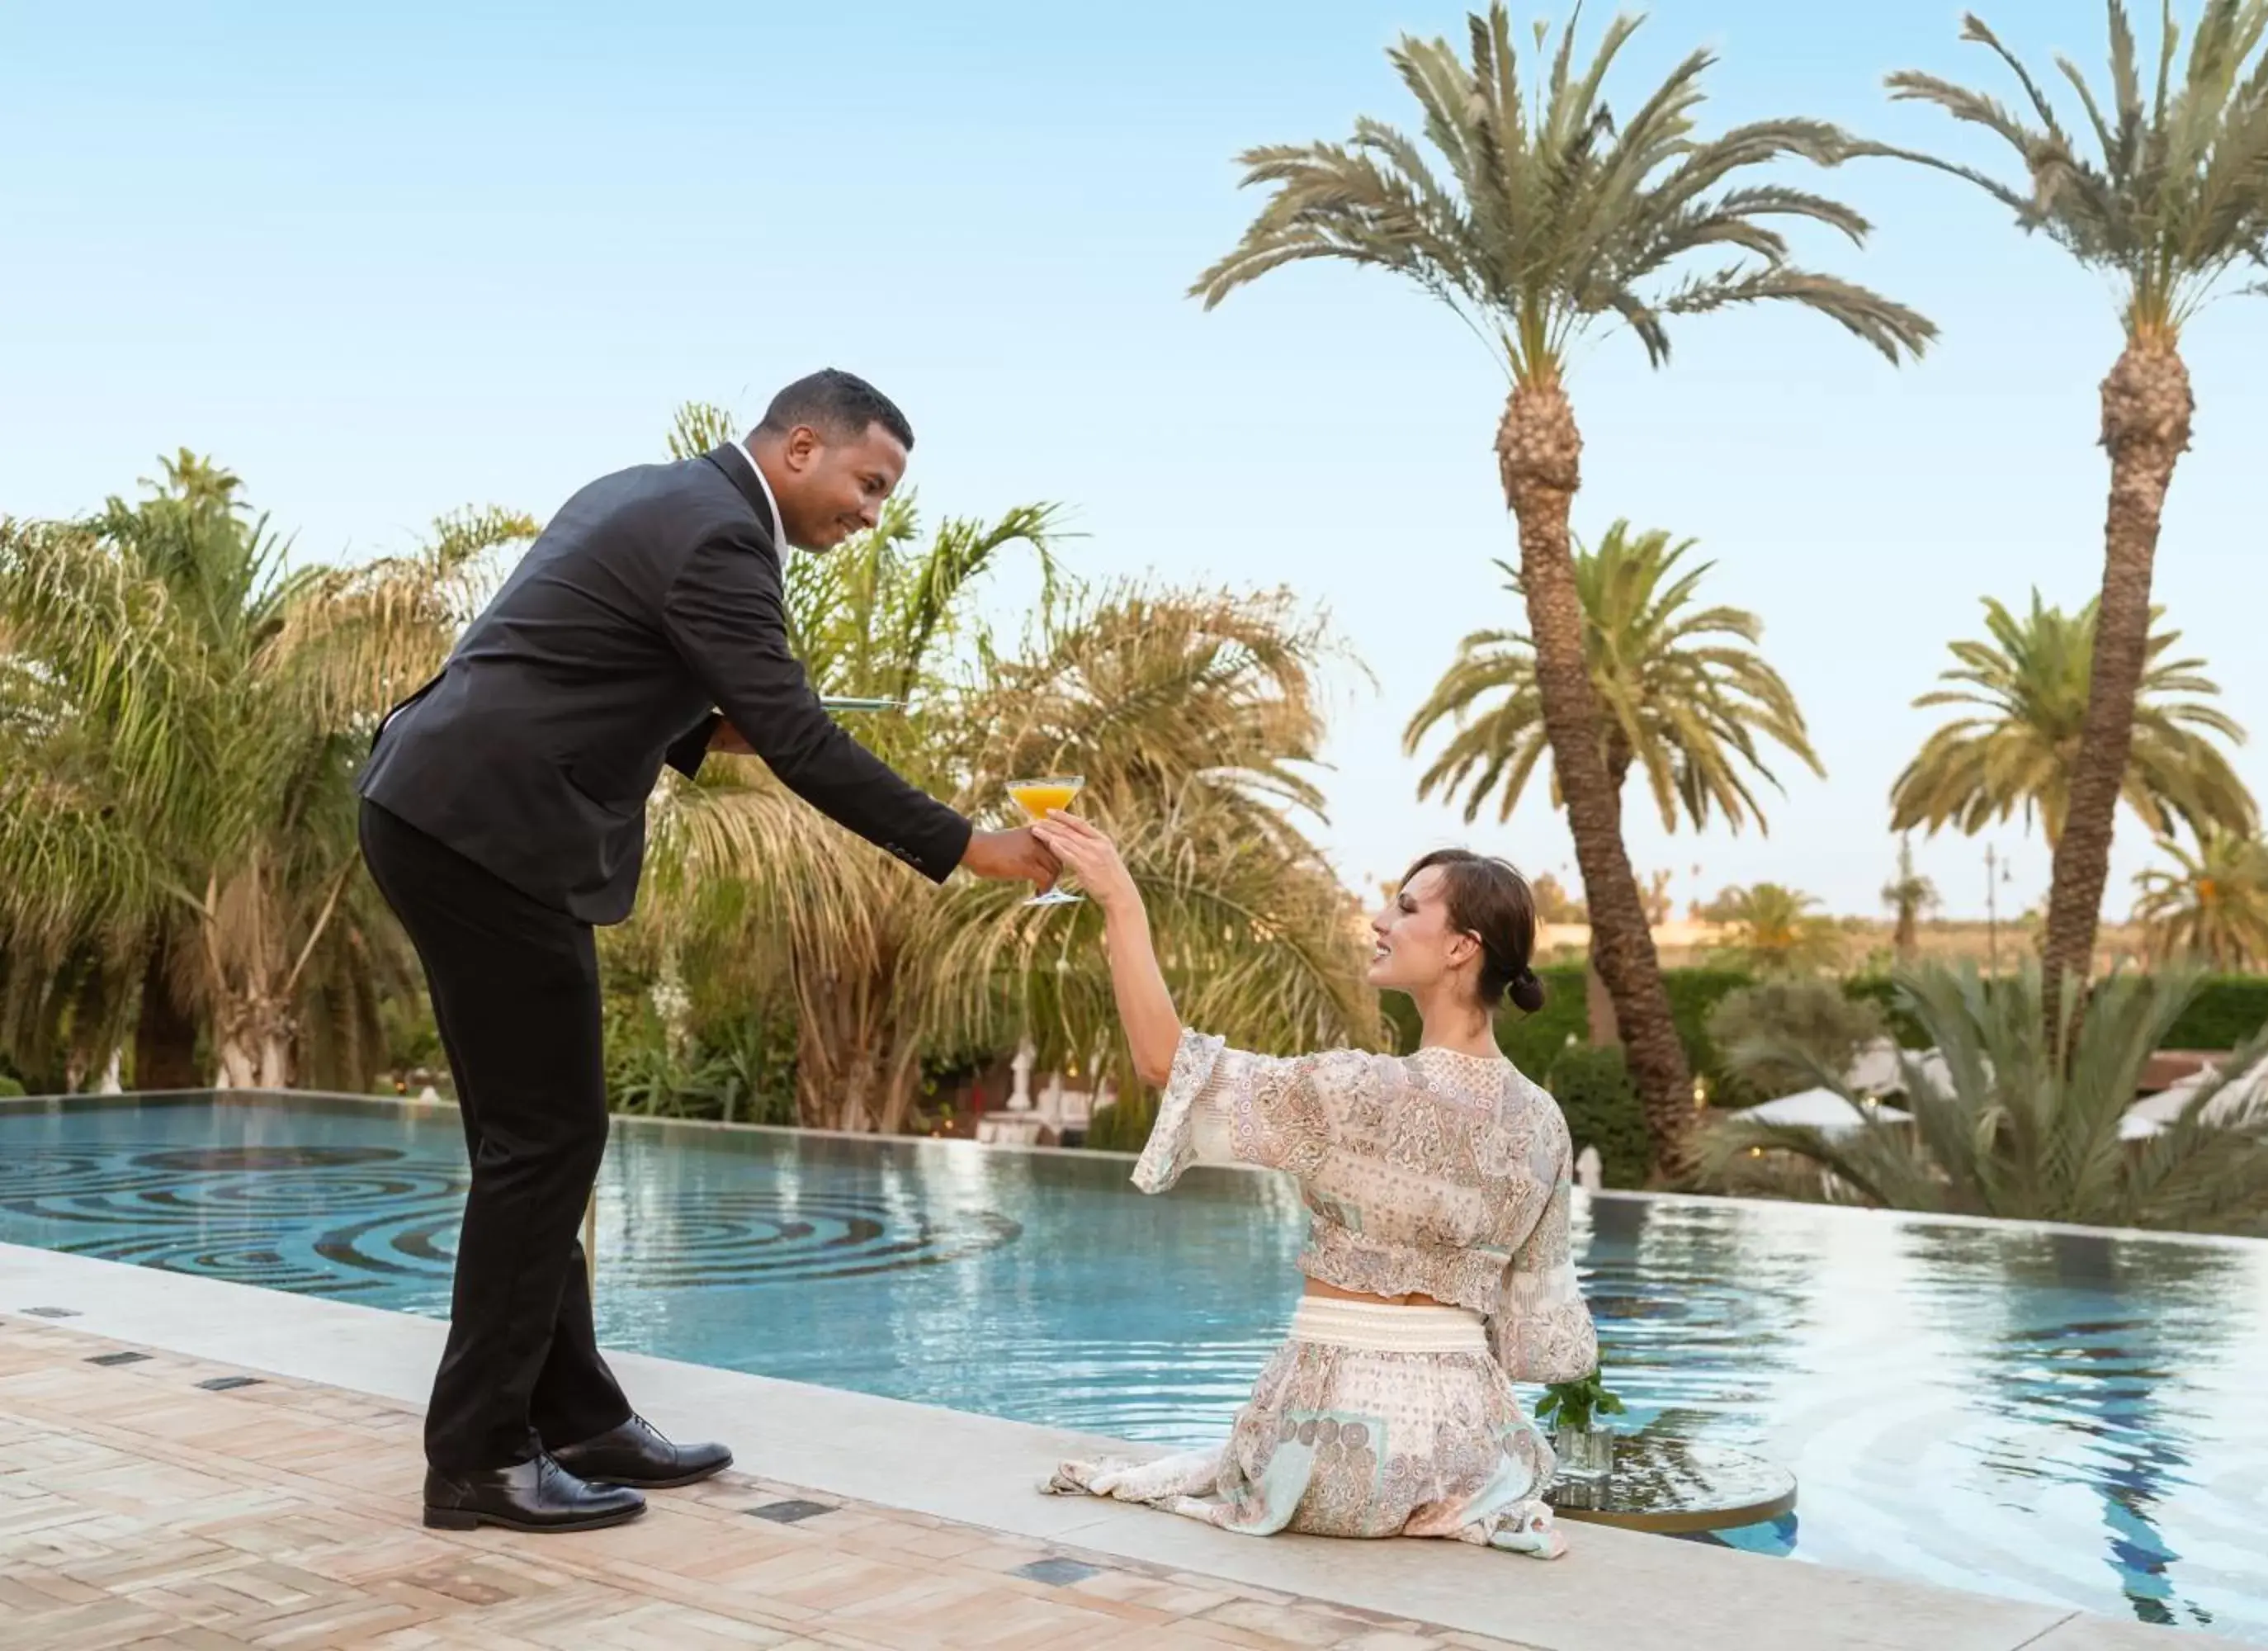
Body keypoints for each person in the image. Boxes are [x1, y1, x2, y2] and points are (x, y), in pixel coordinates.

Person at [357, 369, 1056, 1534]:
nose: (872, 512)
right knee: (549, 1139)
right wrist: (972, 847)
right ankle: (477, 1457)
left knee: (532, 1142)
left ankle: (574, 1412)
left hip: (445, 809)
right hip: (483, 827)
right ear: (798, 447)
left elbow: (609, 662)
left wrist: (734, 711)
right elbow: (793, 740)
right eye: (867, 482)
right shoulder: (725, 539)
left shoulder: (665, 498)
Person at [1029, 812, 1598, 1558]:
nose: (1379, 919)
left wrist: (1120, 901)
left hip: (1327, 1454)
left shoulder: (1356, 1090)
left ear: (1463, 947)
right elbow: (1541, 1346)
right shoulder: (1544, 1124)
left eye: (1406, 907)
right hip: (1478, 1462)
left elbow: (1166, 1064)